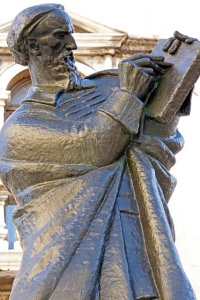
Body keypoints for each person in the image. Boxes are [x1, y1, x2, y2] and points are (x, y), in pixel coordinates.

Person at [0, 3, 196, 300]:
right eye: (60, 36)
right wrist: (130, 94)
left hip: (137, 252)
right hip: (65, 270)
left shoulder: (106, 88)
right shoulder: (19, 128)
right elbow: (94, 147)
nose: (72, 45)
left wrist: (170, 84)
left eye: (71, 34)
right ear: (32, 47)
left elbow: (154, 148)